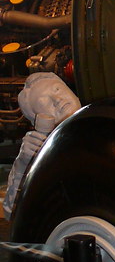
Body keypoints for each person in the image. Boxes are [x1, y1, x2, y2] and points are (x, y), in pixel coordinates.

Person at [1, 73, 81, 214]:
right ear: (38, 120)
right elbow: (12, 212)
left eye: (58, 90)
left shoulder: (107, 119)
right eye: (45, 103)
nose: (58, 100)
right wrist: (24, 165)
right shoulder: (49, 156)